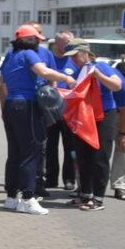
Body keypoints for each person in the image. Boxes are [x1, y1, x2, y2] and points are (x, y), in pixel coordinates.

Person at [0, 25, 75, 215]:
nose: (39, 43)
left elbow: (3, 81)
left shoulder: (10, 56)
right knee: (30, 153)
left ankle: (11, 197)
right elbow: (44, 72)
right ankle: (27, 198)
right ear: (31, 40)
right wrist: (67, 78)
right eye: (38, 40)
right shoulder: (29, 54)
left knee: (14, 152)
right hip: (27, 105)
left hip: (10, 104)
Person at [66, 39, 123, 210]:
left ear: (85, 53)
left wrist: (99, 76)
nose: (73, 59)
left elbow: (117, 85)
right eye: (71, 56)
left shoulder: (101, 66)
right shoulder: (80, 70)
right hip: (86, 116)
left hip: (105, 115)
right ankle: (85, 194)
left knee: (100, 156)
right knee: (83, 156)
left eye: (75, 55)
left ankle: (98, 198)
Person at [44, 31, 80, 194]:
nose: (69, 45)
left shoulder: (74, 60)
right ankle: (51, 178)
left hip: (69, 110)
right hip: (51, 110)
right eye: (66, 42)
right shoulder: (49, 59)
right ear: (57, 43)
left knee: (70, 146)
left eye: (71, 42)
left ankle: (69, 179)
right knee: (50, 145)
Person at [109, 70, 125, 201]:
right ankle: (87, 186)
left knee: (124, 145)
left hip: (122, 108)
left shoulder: (121, 88)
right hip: (99, 109)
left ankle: (121, 185)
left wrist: (123, 133)